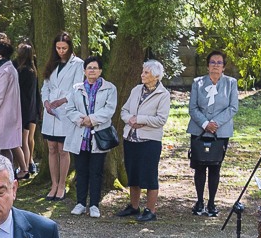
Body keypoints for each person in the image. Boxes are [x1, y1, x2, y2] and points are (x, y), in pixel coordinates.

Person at [64, 55, 117, 216]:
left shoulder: (110, 88)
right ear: (84, 71)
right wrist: (82, 120)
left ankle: (94, 204)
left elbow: (109, 110)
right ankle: (80, 203)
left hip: (98, 135)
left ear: (100, 70)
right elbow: (70, 109)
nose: (92, 70)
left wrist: (92, 119)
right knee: (81, 170)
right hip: (80, 135)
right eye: (89, 68)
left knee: (96, 171)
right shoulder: (76, 88)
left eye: (95, 68)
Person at [119, 60, 171, 221]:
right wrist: (131, 120)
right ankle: (134, 207)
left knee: (149, 176)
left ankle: (151, 210)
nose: (142, 75)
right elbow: (124, 110)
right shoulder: (136, 90)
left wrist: (141, 119)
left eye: (146, 72)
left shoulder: (163, 94)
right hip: (131, 138)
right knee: (132, 174)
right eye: (142, 72)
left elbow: (161, 119)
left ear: (156, 76)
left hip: (150, 141)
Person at [188, 49, 239, 215]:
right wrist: (204, 123)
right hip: (199, 130)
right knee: (200, 166)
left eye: (219, 63)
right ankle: (199, 201)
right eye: (212, 62)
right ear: (207, 65)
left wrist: (215, 123)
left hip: (220, 131)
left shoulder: (231, 83)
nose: (215, 66)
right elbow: (193, 107)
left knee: (215, 167)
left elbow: (233, 108)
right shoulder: (198, 82)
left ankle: (211, 203)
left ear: (224, 67)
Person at [41, 32, 83, 201]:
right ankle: (53, 183)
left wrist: (62, 100)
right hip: (50, 110)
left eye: (64, 48)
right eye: (58, 48)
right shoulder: (52, 63)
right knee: (51, 148)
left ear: (70, 47)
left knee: (63, 149)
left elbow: (78, 88)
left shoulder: (77, 64)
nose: (61, 51)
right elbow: (45, 85)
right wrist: (45, 102)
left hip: (65, 110)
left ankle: (61, 185)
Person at [0, 37, 24, 176]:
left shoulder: (5, 70)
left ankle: (9, 174)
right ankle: (8, 174)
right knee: (4, 146)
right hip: (3, 114)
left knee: (5, 146)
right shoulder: (2, 67)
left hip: (4, 115)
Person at [13, 40, 40, 179]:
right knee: (30, 138)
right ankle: (29, 163)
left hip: (23, 109)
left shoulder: (21, 71)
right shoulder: (33, 70)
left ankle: (24, 167)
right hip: (32, 108)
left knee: (23, 139)